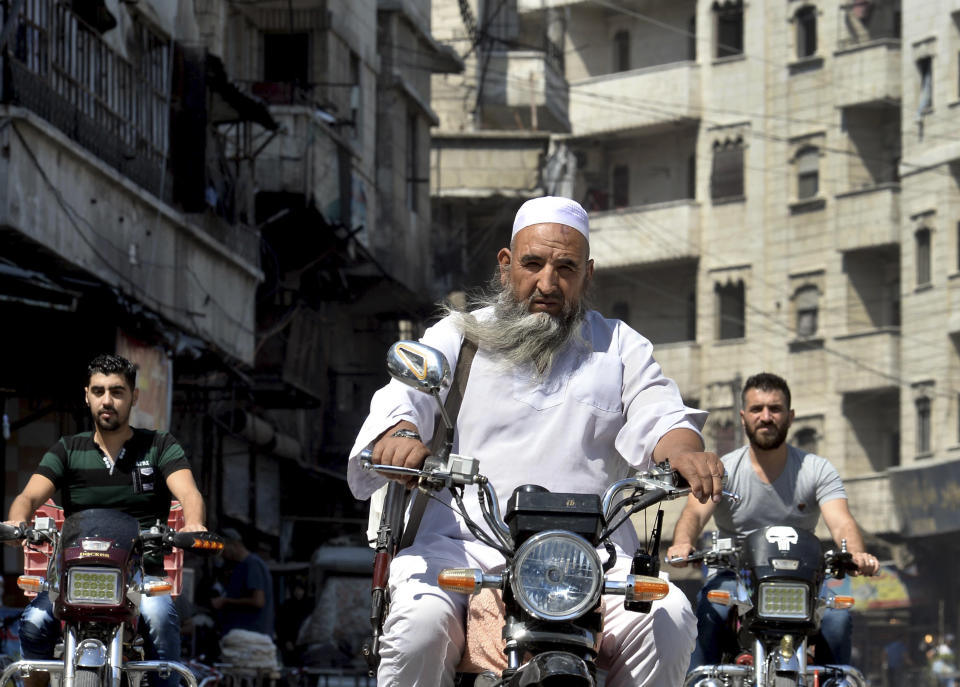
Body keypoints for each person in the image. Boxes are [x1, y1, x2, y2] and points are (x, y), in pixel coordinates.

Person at [347, 195, 727, 687]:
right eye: (533, 263)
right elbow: (403, 400)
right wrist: (400, 436)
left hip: (591, 560)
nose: (548, 283)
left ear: (587, 275)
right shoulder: (458, 337)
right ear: (506, 266)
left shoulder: (619, 346)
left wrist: (684, 453)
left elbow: (661, 415)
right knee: (418, 627)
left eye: (566, 267)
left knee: (668, 618)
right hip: (461, 550)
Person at [5, 353, 207, 687]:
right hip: (73, 574)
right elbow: (27, 497)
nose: (107, 400)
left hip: (140, 576)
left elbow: (189, 494)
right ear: (87, 395)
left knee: (159, 619)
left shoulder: (159, 446)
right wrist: (17, 523)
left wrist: (194, 523)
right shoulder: (68, 449)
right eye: (98, 391)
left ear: (134, 397)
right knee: (35, 621)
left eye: (117, 391)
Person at [666, 372, 880, 671]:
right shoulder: (724, 469)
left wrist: (856, 554)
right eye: (757, 409)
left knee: (837, 617)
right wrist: (683, 543)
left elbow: (842, 523)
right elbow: (694, 513)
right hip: (735, 577)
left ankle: (837, 678)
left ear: (790, 416)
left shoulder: (817, 469)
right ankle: (701, 678)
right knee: (709, 607)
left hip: (804, 580)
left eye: (775, 409)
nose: (766, 417)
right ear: (743, 417)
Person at [211, 528, 275, 638]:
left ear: (234, 545)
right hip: (239, 634)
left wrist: (225, 601)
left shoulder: (252, 564)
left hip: (251, 635)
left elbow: (258, 601)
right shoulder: (239, 567)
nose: (222, 555)